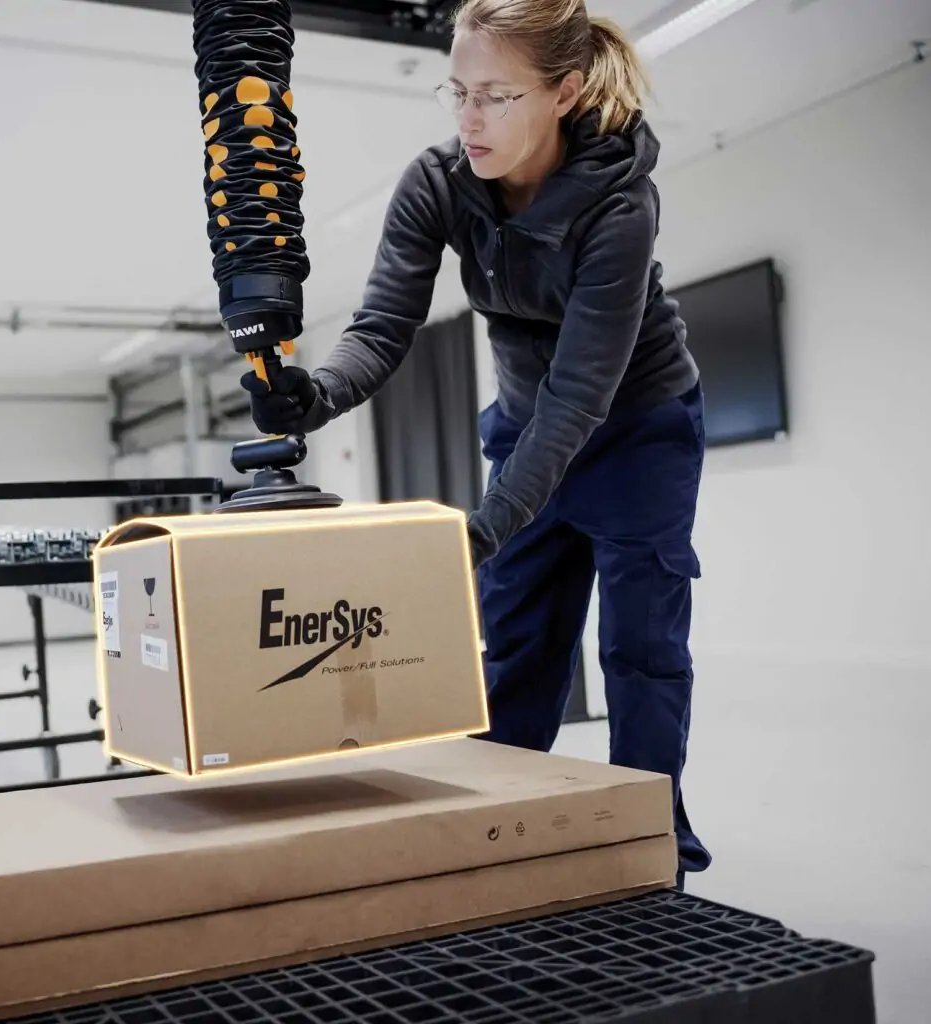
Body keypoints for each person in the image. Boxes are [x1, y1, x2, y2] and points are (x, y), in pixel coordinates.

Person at [242, 0, 708, 885]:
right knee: (517, 645)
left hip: (637, 433)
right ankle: (496, 843)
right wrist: (316, 395)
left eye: (495, 96)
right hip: (529, 425)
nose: (469, 118)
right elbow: (383, 325)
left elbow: (580, 396)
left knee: (640, 651)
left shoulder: (620, 204)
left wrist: (486, 526)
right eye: (457, 92)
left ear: (564, 92)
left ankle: (649, 851)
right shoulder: (440, 181)